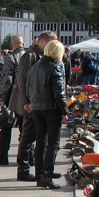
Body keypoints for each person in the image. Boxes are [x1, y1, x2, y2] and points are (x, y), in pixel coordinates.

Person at [12, 32, 55, 181]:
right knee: (27, 137)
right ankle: (23, 170)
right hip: (30, 104)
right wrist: (26, 102)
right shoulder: (29, 55)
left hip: (36, 103)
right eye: (50, 43)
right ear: (42, 41)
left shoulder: (39, 55)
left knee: (37, 138)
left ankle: (41, 169)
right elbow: (22, 80)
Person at [27, 40, 67, 189]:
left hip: (37, 107)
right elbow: (59, 92)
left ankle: (40, 174)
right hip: (51, 108)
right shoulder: (54, 68)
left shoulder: (34, 68)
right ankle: (47, 174)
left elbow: (28, 88)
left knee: (40, 142)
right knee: (53, 143)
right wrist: (64, 111)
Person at [0, 36, 24, 166]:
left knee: (6, 126)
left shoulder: (10, 58)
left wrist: (3, 97)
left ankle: (3, 156)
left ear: (12, 44)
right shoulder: (30, 56)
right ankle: (27, 157)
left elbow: (7, 79)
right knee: (25, 129)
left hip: (13, 96)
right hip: (27, 97)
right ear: (23, 43)